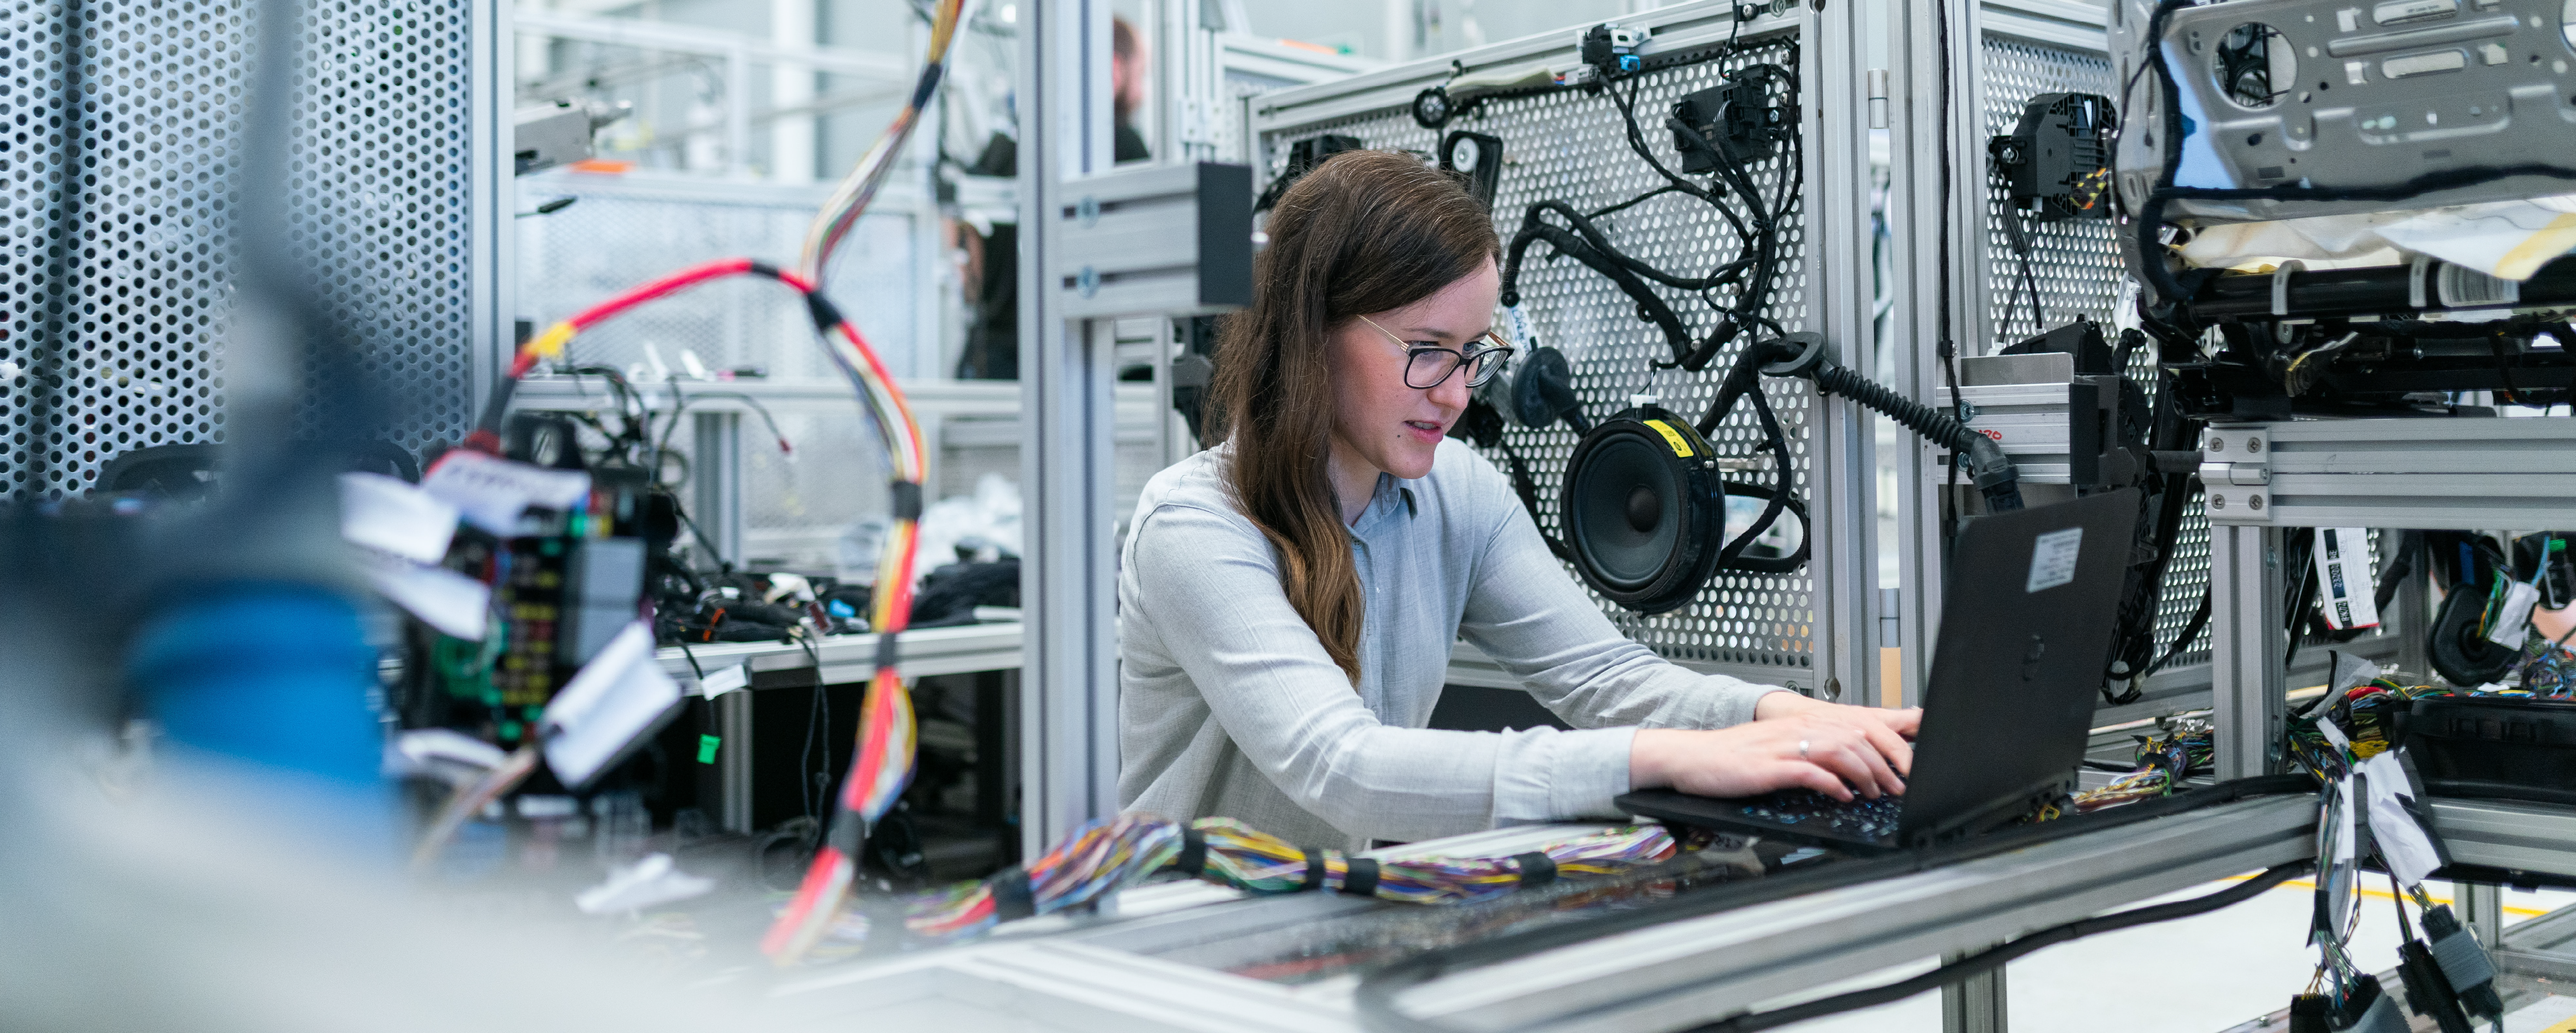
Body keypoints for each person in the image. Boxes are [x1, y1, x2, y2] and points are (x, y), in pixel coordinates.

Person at [1118, 150, 1920, 850]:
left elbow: (1608, 679)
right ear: (1311, 331)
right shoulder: (1197, 525)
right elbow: (1343, 767)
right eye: (1429, 352)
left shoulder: (1457, 494)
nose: (1459, 395)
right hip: (1184, 956)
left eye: (1475, 355)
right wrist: (1659, 759)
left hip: (1321, 929)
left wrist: (1787, 717)